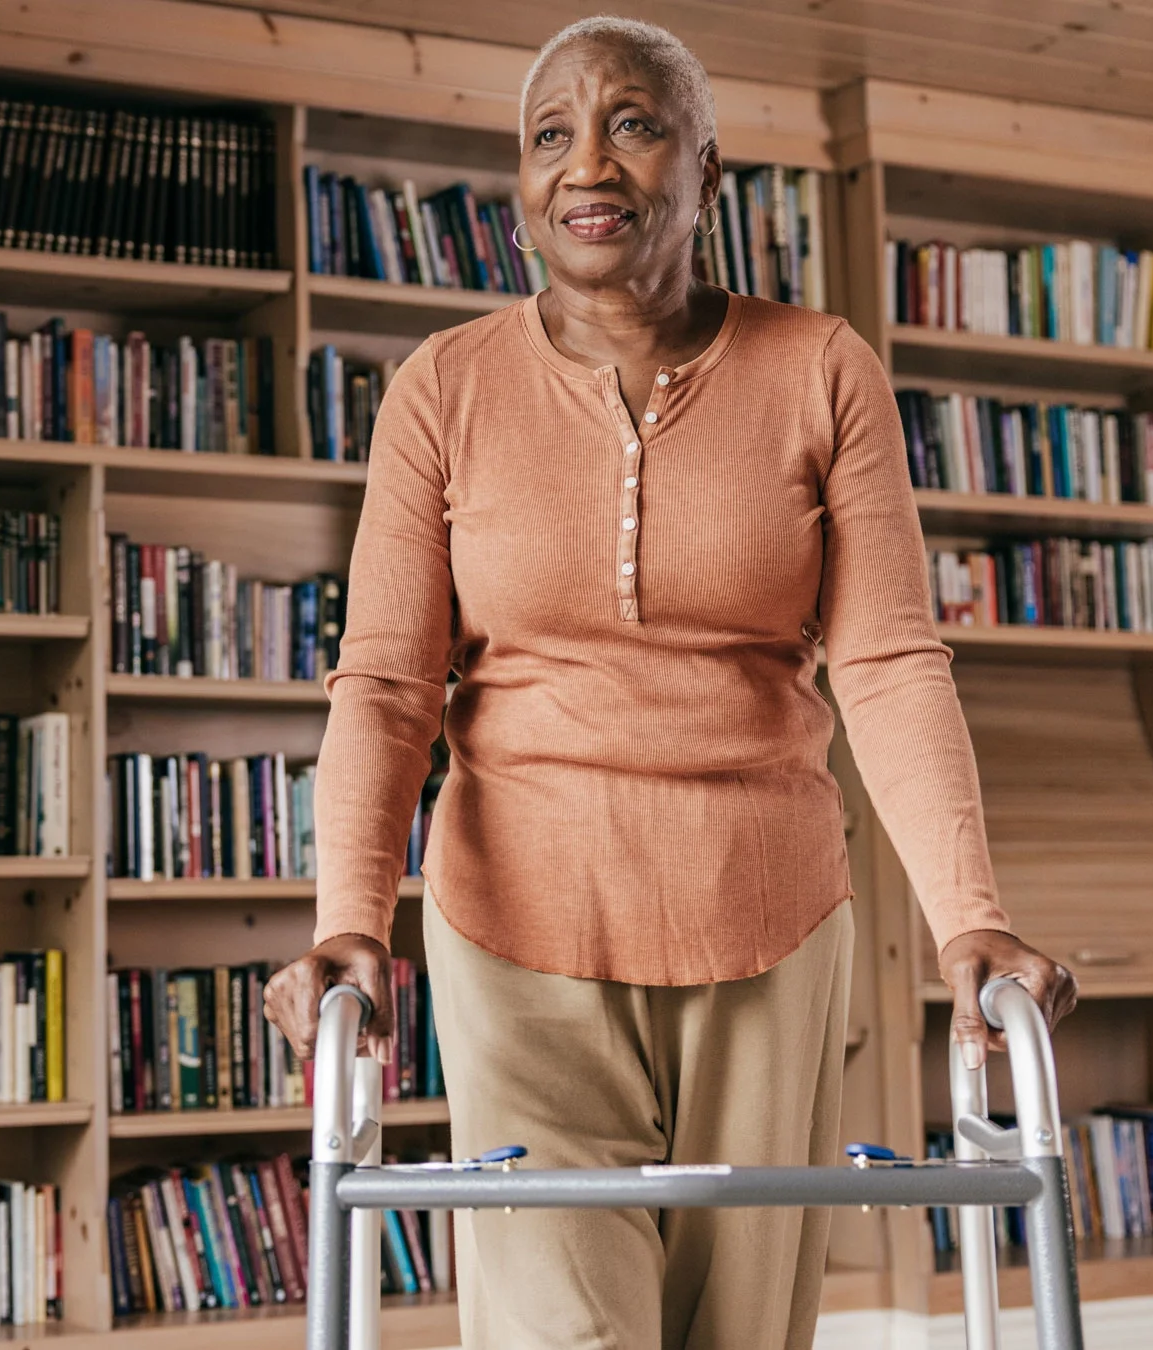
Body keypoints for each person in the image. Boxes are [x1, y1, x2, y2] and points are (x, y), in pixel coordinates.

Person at [262, 15, 1080, 1350]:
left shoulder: (823, 369)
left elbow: (887, 661)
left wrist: (969, 923)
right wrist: (351, 918)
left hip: (766, 918)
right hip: (516, 928)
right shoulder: (441, 390)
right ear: (522, 189)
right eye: (550, 135)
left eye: (634, 124)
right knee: (561, 1336)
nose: (589, 163)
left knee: (738, 1336)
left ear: (707, 169)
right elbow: (388, 685)